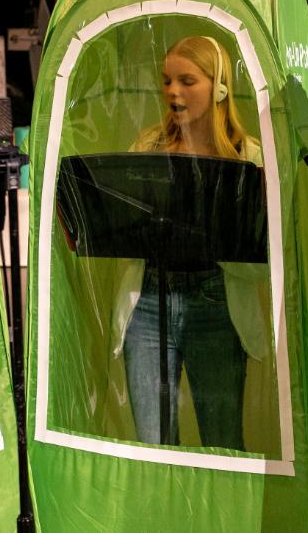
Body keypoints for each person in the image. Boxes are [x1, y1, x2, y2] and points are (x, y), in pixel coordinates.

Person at [110, 35, 269, 450]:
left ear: (219, 88)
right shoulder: (148, 147)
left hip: (216, 306)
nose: (172, 92)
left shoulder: (247, 157)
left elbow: (263, 259)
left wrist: (211, 233)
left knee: (222, 442)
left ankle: (220, 517)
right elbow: (123, 229)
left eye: (186, 80)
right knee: (154, 444)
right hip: (147, 305)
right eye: (166, 81)